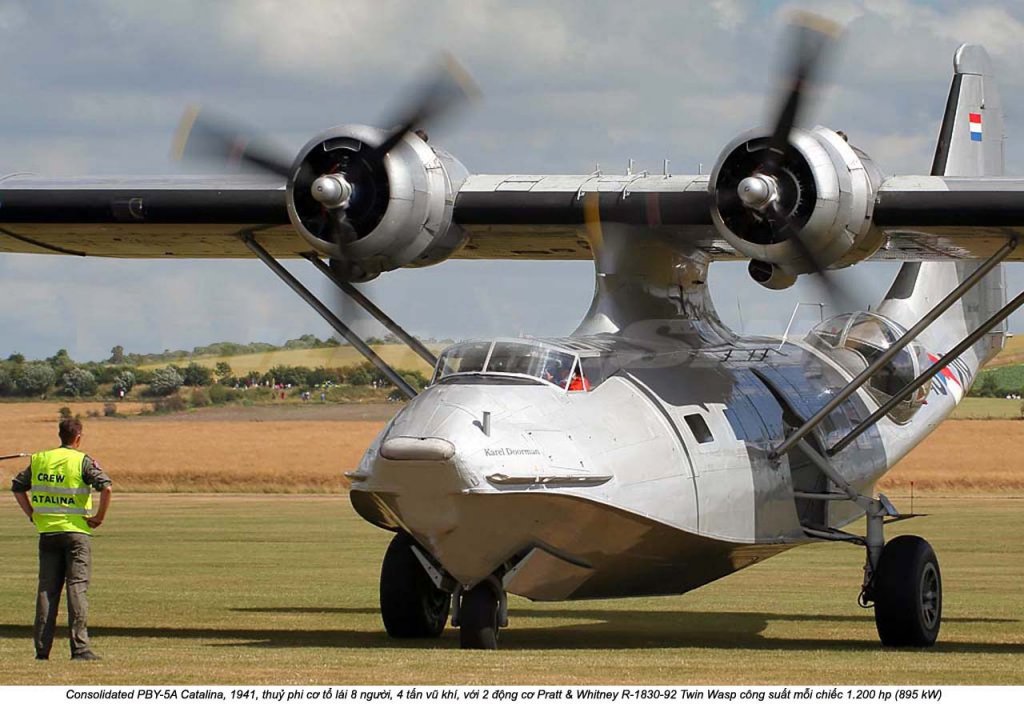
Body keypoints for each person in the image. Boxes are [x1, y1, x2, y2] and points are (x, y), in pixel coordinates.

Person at [10, 418, 112, 661]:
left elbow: (17, 487)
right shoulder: (82, 460)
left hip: (47, 533)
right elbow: (106, 487)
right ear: (78, 438)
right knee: (76, 588)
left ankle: (42, 650)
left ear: (60, 435)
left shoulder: (40, 459)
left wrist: (32, 514)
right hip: (76, 533)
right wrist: (99, 517)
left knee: (47, 590)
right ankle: (80, 648)